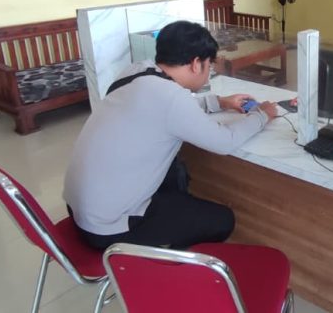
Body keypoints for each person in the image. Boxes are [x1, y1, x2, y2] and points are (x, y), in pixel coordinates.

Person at [63, 21, 278, 251]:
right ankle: (164, 261)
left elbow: (166, 110)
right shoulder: (171, 97)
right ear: (196, 64)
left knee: (174, 178)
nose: (209, 74)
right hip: (108, 228)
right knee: (223, 220)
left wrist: (219, 102)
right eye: (209, 66)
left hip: (80, 211)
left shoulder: (137, 72)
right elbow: (225, 141)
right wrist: (262, 115)